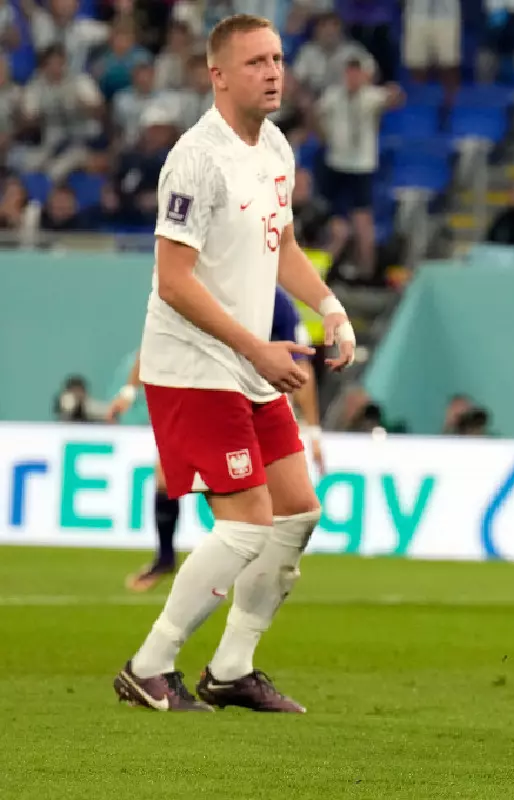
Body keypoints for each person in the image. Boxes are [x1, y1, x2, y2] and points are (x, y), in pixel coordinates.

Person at [111, 14, 357, 714]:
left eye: (277, 58)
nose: (273, 72)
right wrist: (254, 346)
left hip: (247, 363)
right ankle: (150, 666)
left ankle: (230, 668)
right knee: (248, 521)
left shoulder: (275, 146)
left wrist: (330, 307)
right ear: (217, 75)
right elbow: (174, 278)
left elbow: (280, 245)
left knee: (298, 512)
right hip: (193, 364)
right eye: (255, 62)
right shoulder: (195, 158)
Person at [107, 286, 328, 593]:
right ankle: (166, 558)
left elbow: (300, 368)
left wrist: (314, 431)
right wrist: (129, 392)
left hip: (260, 405)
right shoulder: (198, 290)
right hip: (206, 395)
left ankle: (257, 571)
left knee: (264, 500)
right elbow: (155, 343)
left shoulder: (275, 302)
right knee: (165, 477)